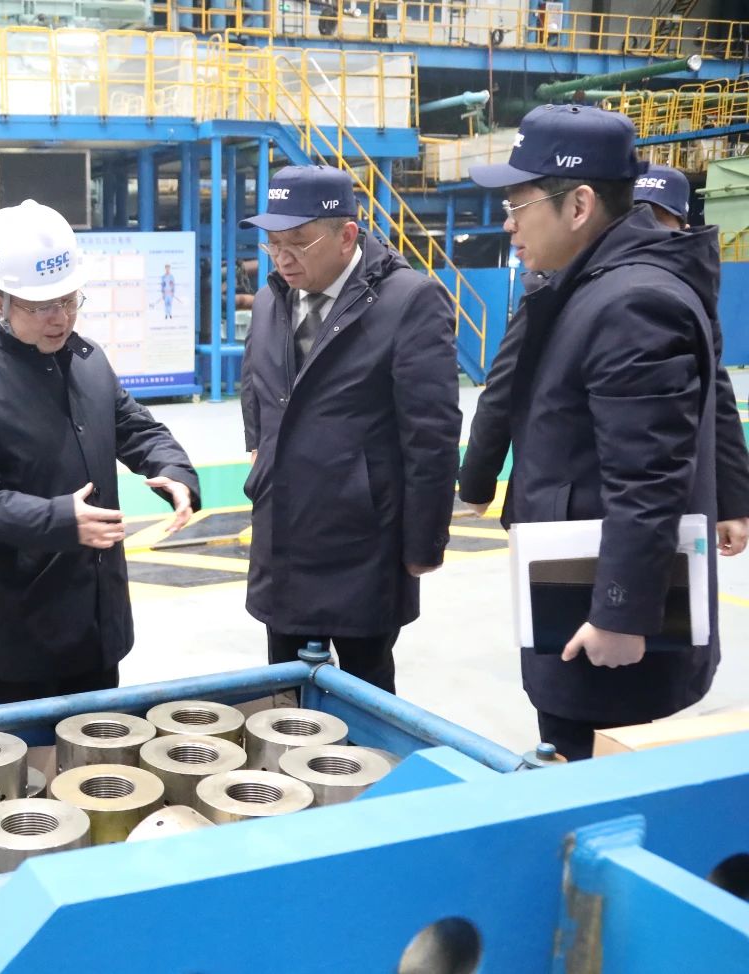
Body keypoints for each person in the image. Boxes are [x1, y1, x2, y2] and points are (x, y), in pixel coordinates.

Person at [468, 105, 723, 760]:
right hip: (573, 592)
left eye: (519, 204)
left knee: (601, 783)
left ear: (578, 205)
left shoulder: (631, 303)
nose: (508, 222)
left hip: (608, 634)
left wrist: (620, 612)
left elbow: (648, 478)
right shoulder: (588, 288)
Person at [0, 200, 200, 705]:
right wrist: (61, 519)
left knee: (104, 750)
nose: (60, 318)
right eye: (40, 307)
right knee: (30, 753)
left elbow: (134, 426)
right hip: (23, 630)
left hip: (99, 621)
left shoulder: (88, 359)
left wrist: (174, 470)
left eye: (69, 300)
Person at [239, 165, 461, 693]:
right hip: (282, 538)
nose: (282, 257)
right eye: (273, 243)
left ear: (346, 235)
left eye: (298, 241)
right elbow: (257, 385)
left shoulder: (408, 301)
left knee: (366, 696)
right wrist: (259, 460)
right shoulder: (272, 298)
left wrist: (423, 545)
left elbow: (432, 435)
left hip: (363, 544)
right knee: (286, 696)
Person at [460, 162, 749, 562]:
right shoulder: (556, 293)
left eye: (659, 219)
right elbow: (503, 389)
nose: (648, 229)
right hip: (569, 517)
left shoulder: (672, 297)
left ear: (683, 225)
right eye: (640, 215)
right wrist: (478, 478)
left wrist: (732, 499)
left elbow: (714, 401)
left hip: (649, 528)